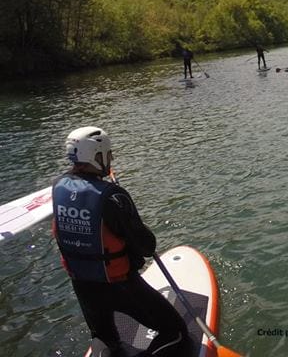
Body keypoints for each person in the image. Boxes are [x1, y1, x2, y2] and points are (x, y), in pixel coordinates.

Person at [53, 126, 191, 357]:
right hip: (120, 285)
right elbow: (147, 246)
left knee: (105, 339)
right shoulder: (113, 196)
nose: (112, 157)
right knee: (175, 333)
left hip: (83, 286)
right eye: (108, 153)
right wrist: (123, 204)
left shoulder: (59, 186)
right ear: (97, 156)